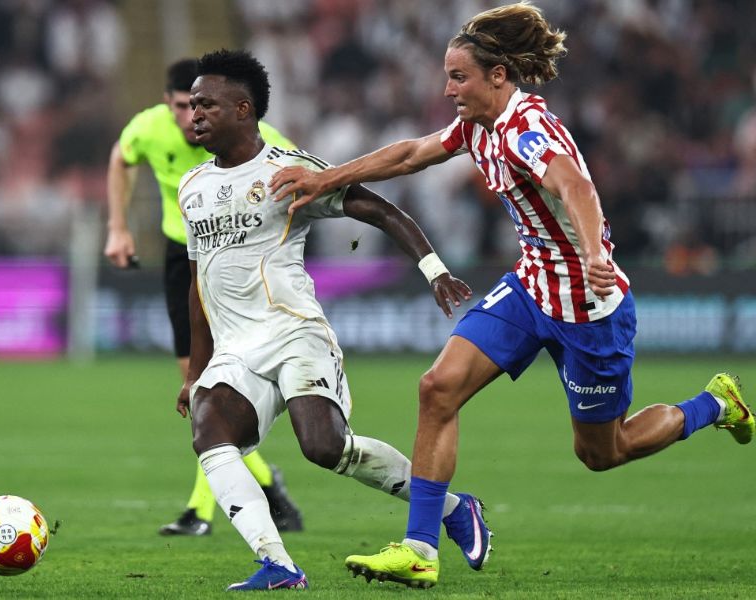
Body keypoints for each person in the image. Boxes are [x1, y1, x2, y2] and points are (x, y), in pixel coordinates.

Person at [269, 2, 755, 589]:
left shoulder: (526, 129)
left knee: (604, 451)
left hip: (586, 309)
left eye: (459, 77)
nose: (448, 89)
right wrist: (325, 177)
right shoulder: (479, 126)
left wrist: (597, 256)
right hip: (530, 289)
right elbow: (410, 153)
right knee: (437, 388)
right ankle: (421, 548)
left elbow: (574, 185)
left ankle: (714, 405)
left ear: (498, 76)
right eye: (448, 76)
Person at [177, 48, 492, 591]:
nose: (194, 114)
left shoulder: (286, 170)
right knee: (210, 431)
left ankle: (454, 510)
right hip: (235, 349)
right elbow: (198, 284)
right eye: (190, 105)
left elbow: (379, 209)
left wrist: (433, 268)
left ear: (243, 109)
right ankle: (278, 565)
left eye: (206, 104)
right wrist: (194, 371)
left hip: (295, 333)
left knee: (325, 448)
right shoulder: (192, 188)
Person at [103, 58, 303, 537]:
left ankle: (200, 511)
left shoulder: (253, 133)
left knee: (209, 390)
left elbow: (303, 177)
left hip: (240, 269)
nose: (186, 118)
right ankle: (267, 485)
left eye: (194, 105)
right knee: (199, 387)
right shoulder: (148, 128)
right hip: (185, 261)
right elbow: (120, 158)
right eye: (178, 106)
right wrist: (118, 227)